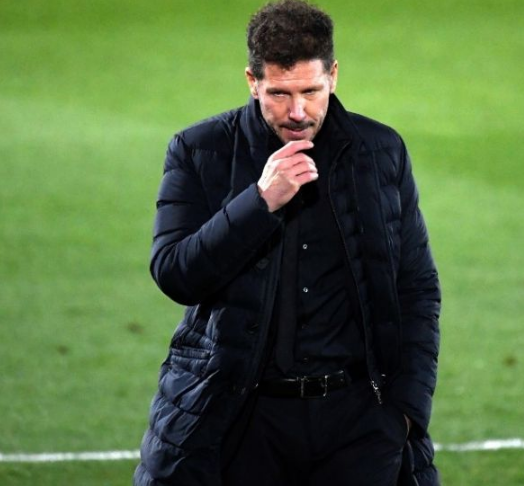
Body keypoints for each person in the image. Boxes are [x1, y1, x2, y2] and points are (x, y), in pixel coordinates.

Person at [133, 1, 441, 485]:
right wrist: (259, 202)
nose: (297, 112)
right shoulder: (199, 150)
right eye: (279, 93)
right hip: (243, 419)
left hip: (359, 426)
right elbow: (175, 273)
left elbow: (416, 286)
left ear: (333, 76)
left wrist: (405, 411)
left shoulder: (380, 151)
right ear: (252, 81)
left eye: (310, 92)